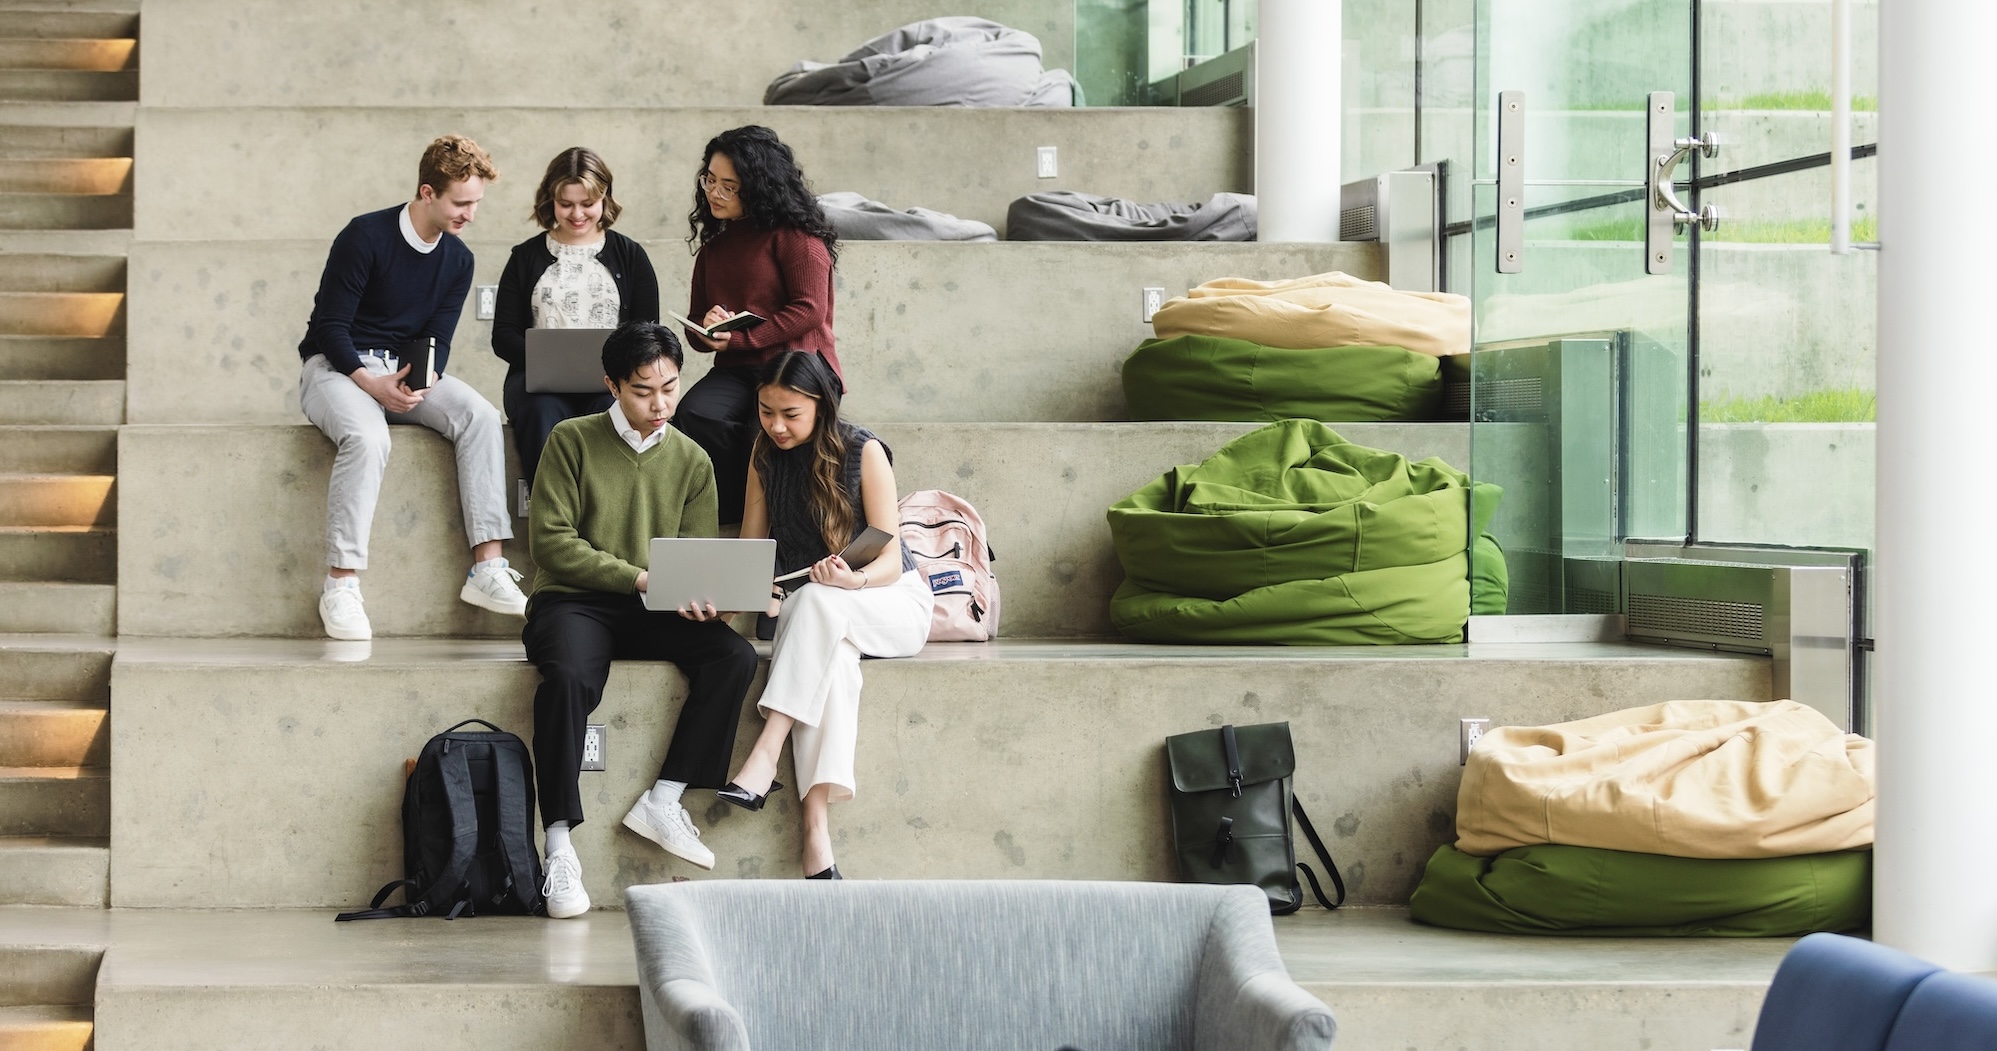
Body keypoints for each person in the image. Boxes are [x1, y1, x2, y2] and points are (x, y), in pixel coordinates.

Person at [523, 320, 758, 918]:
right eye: (643, 391)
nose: (661, 405)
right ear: (612, 385)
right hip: (574, 599)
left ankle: (666, 796)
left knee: (732, 655)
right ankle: (558, 844)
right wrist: (640, 578)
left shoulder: (693, 460)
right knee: (571, 680)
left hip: (652, 602)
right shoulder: (570, 440)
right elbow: (551, 544)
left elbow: (694, 556)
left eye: (671, 389)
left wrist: (708, 596)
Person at [703, 351, 932, 880]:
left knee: (817, 601)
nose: (776, 426)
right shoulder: (763, 454)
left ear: (820, 407)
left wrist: (855, 581)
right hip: (821, 610)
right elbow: (751, 554)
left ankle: (768, 746)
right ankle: (816, 837)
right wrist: (721, 607)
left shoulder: (863, 450)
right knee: (832, 660)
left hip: (891, 599)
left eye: (790, 414)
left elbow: (892, 557)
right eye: (766, 412)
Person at [297, 134, 526, 641]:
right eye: (460, 203)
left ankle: (487, 569)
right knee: (369, 437)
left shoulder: (458, 260)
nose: (470, 214)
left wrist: (416, 384)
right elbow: (329, 326)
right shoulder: (365, 236)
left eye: (476, 203)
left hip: (401, 373)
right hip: (337, 369)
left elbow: (437, 340)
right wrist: (371, 384)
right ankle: (341, 584)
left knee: (480, 415)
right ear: (427, 192)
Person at [676, 125, 843, 524]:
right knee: (695, 415)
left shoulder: (798, 239)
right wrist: (707, 329)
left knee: (764, 432)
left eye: (728, 186)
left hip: (799, 365)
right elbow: (697, 319)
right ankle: (731, 518)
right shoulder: (714, 249)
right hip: (737, 369)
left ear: (759, 187)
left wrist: (740, 339)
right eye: (709, 180)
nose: (713, 193)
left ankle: (774, 527)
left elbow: (808, 310)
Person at [491, 147, 660, 490]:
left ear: (605, 199)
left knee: (610, 410)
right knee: (541, 412)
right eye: (566, 204)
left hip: (610, 383)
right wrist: (549, 357)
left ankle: (603, 514)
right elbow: (503, 335)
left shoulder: (630, 255)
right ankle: (553, 516)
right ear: (550, 200)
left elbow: (647, 330)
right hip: (538, 385)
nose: (577, 214)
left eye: (587, 204)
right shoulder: (524, 257)